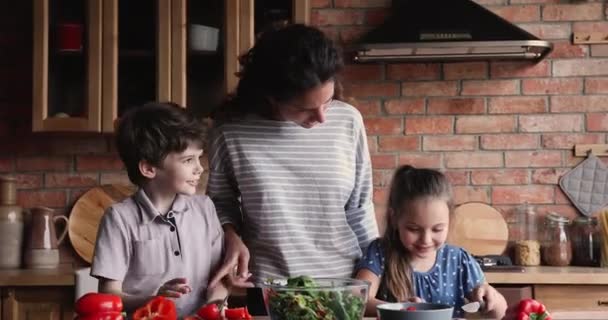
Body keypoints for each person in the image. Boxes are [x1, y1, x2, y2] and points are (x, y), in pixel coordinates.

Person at [207, 24, 378, 286]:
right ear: (271, 97)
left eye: (327, 102)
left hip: (345, 287)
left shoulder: (348, 120)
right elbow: (221, 202)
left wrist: (375, 278)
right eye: (305, 109)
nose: (321, 118)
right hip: (268, 288)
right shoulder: (230, 130)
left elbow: (360, 209)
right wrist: (230, 235)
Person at [90, 102, 229, 317]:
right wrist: (154, 301)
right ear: (148, 168)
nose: (200, 168)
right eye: (188, 160)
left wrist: (214, 305)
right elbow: (110, 295)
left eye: (199, 157)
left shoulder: (205, 209)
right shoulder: (119, 218)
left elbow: (218, 281)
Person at [354, 165, 507, 319]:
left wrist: (493, 298)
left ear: (449, 221)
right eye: (413, 229)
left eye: (437, 229)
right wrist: (400, 309)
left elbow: (498, 313)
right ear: (394, 219)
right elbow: (358, 300)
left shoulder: (460, 260)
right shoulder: (380, 252)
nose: (425, 240)